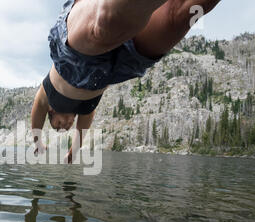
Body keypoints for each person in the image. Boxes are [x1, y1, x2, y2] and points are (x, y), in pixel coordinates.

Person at [31, 0, 221, 163]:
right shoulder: (86, 111)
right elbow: (80, 133)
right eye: (64, 129)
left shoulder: (48, 96)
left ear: (52, 112)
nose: (63, 128)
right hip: (120, 67)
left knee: (104, 26)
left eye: (56, 125)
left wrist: (37, 141)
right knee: (178, 16)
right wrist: (72, 154)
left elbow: (37, 106)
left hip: (74, 55)